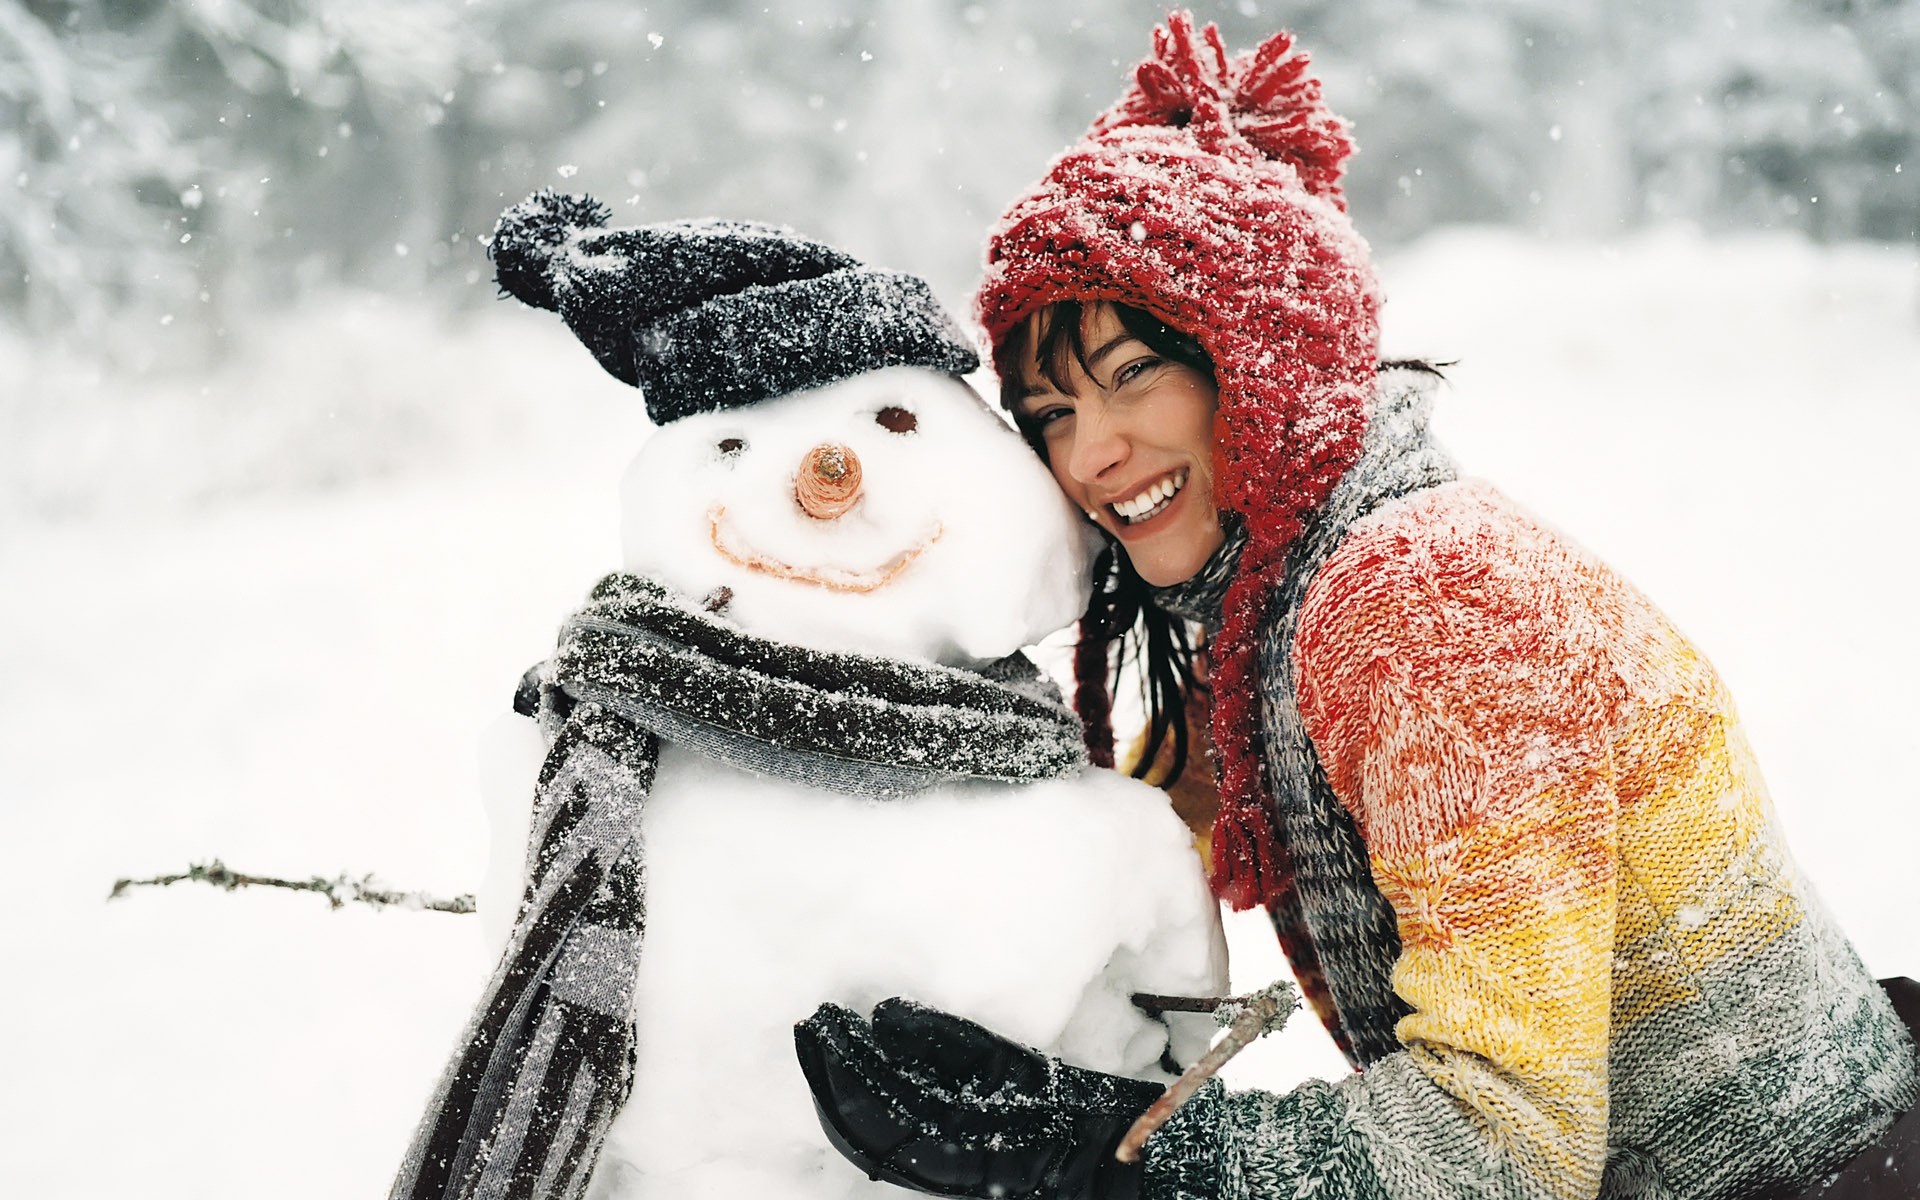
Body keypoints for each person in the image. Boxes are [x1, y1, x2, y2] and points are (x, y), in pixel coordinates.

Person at [793, 12, 1919, 1200]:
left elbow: (1501, 1153)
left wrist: (1107, 1153)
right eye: (1053, 414)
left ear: (1261, 361)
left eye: (1133, 376)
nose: (1093, 456)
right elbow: (1157, 816)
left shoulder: (1421, 607)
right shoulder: (1278, 607)